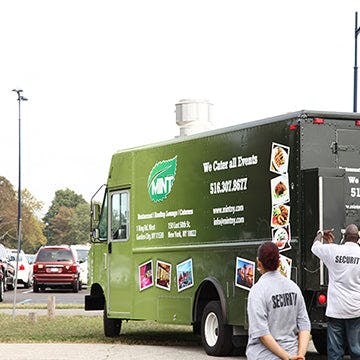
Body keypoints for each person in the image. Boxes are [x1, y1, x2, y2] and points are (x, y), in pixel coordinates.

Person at [246, 242, 311, 360]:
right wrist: (300, 355)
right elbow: (305, 325)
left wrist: (288, 358)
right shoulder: (293, 287)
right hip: (292, 351)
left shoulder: (257, 291)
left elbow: (262, 334)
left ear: (259, 263)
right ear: (279, 262)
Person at [311, 224, 360, 359]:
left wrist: (320, 233)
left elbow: (315, 247)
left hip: (336, 309)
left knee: (334, 350)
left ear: (344, 238)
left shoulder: (334, 251)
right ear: (358, 238)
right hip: (355, 310)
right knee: (356, 349)